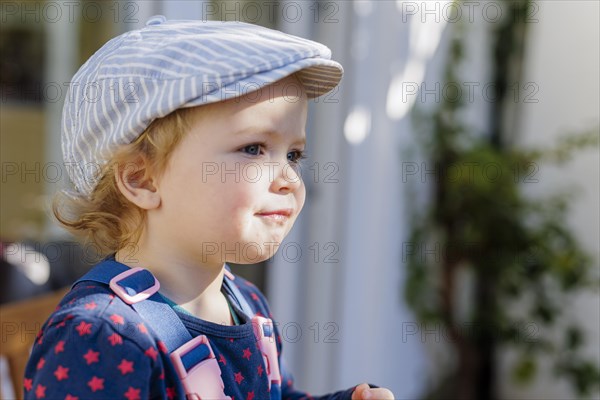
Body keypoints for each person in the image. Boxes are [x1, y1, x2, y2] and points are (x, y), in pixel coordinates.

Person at [24, 17, 395, 400]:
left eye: (294, 154)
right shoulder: (103, 337)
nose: (289, 178)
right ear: (142, 180)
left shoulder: (246, 304)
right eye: (253, 148)